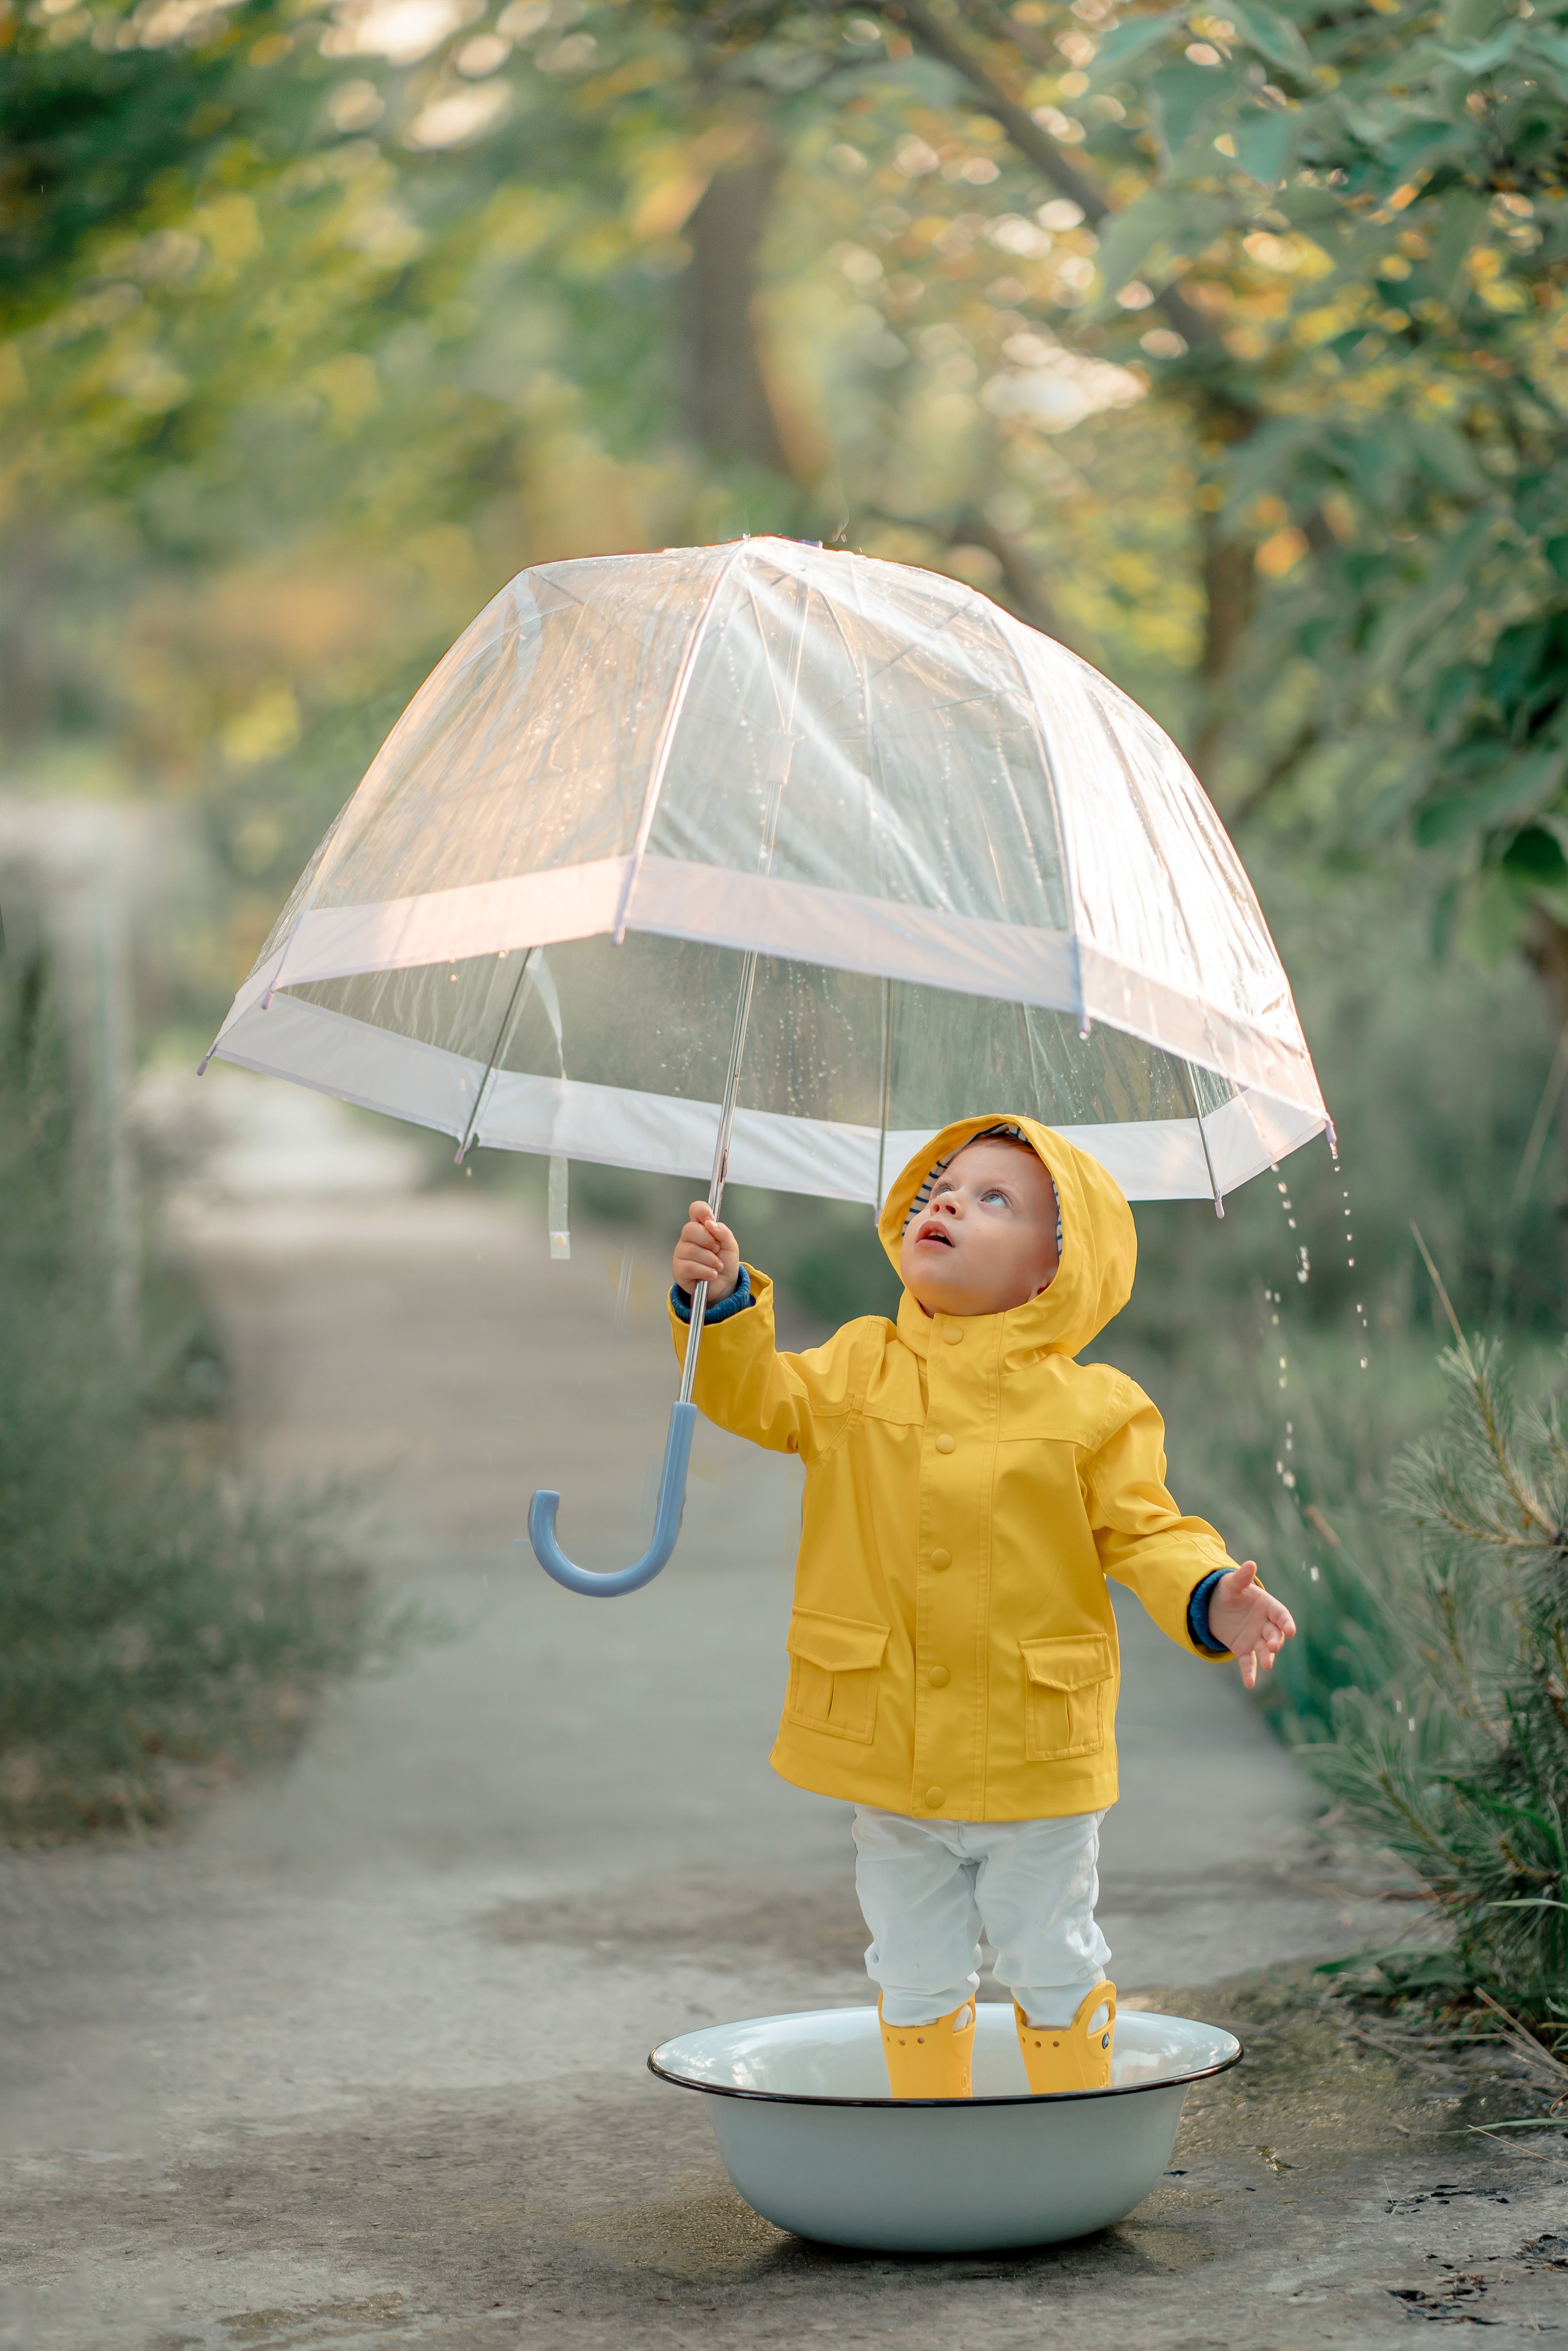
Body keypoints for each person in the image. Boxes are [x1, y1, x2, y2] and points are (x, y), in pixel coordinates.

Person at [669, 1114, 1295, 2100]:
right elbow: (758, 1396)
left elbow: (1147, 1530)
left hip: (1034, 1752)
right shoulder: (858, 1366)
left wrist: (1212, 1594)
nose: (950, 1201)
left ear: (1057, 1266)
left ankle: (1075, 2121)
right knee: (911, 1963)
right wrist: (720, 1301)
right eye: (939, 1190)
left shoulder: (1093, 1409)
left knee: (1049, 1953)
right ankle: (935, 2130)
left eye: (993, 1197)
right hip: (894, 1749)